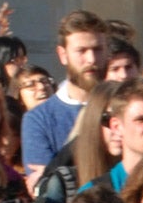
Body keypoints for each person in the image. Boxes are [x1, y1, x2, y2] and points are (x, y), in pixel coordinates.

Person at [23, 10, 109, 171]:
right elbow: (46, 189)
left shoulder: (123, 106)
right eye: (81, 51)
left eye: (98, 49)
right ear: (63, 55)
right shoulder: (39, 119)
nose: (91, 59)